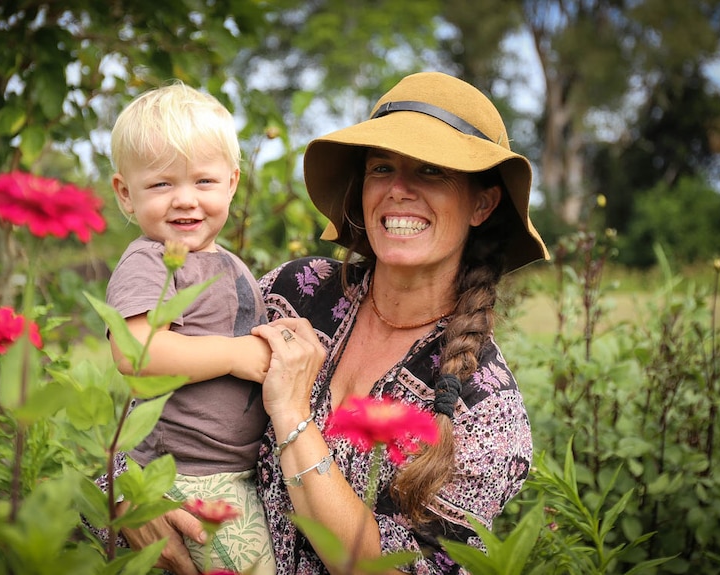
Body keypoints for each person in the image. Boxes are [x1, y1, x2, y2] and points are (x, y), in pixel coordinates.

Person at [117, 71, 549, 575]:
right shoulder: (293, 292)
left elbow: (394, 571)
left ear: (482, 203)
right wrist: (128, 499)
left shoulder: (486, 407)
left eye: (432, 171)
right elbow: (150, 395)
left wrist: (293, 414)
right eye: (382, 167)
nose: (399, 190)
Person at [100, 81, 276, 575]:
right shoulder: (149, 260)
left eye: (203, 182)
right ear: (125, 194)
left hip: (234, 469)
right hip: (186, 474)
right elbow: (136, 354)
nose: (184, 200)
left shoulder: (228, 263)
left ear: (232, 183)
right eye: (160, 184)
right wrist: (236, 355)